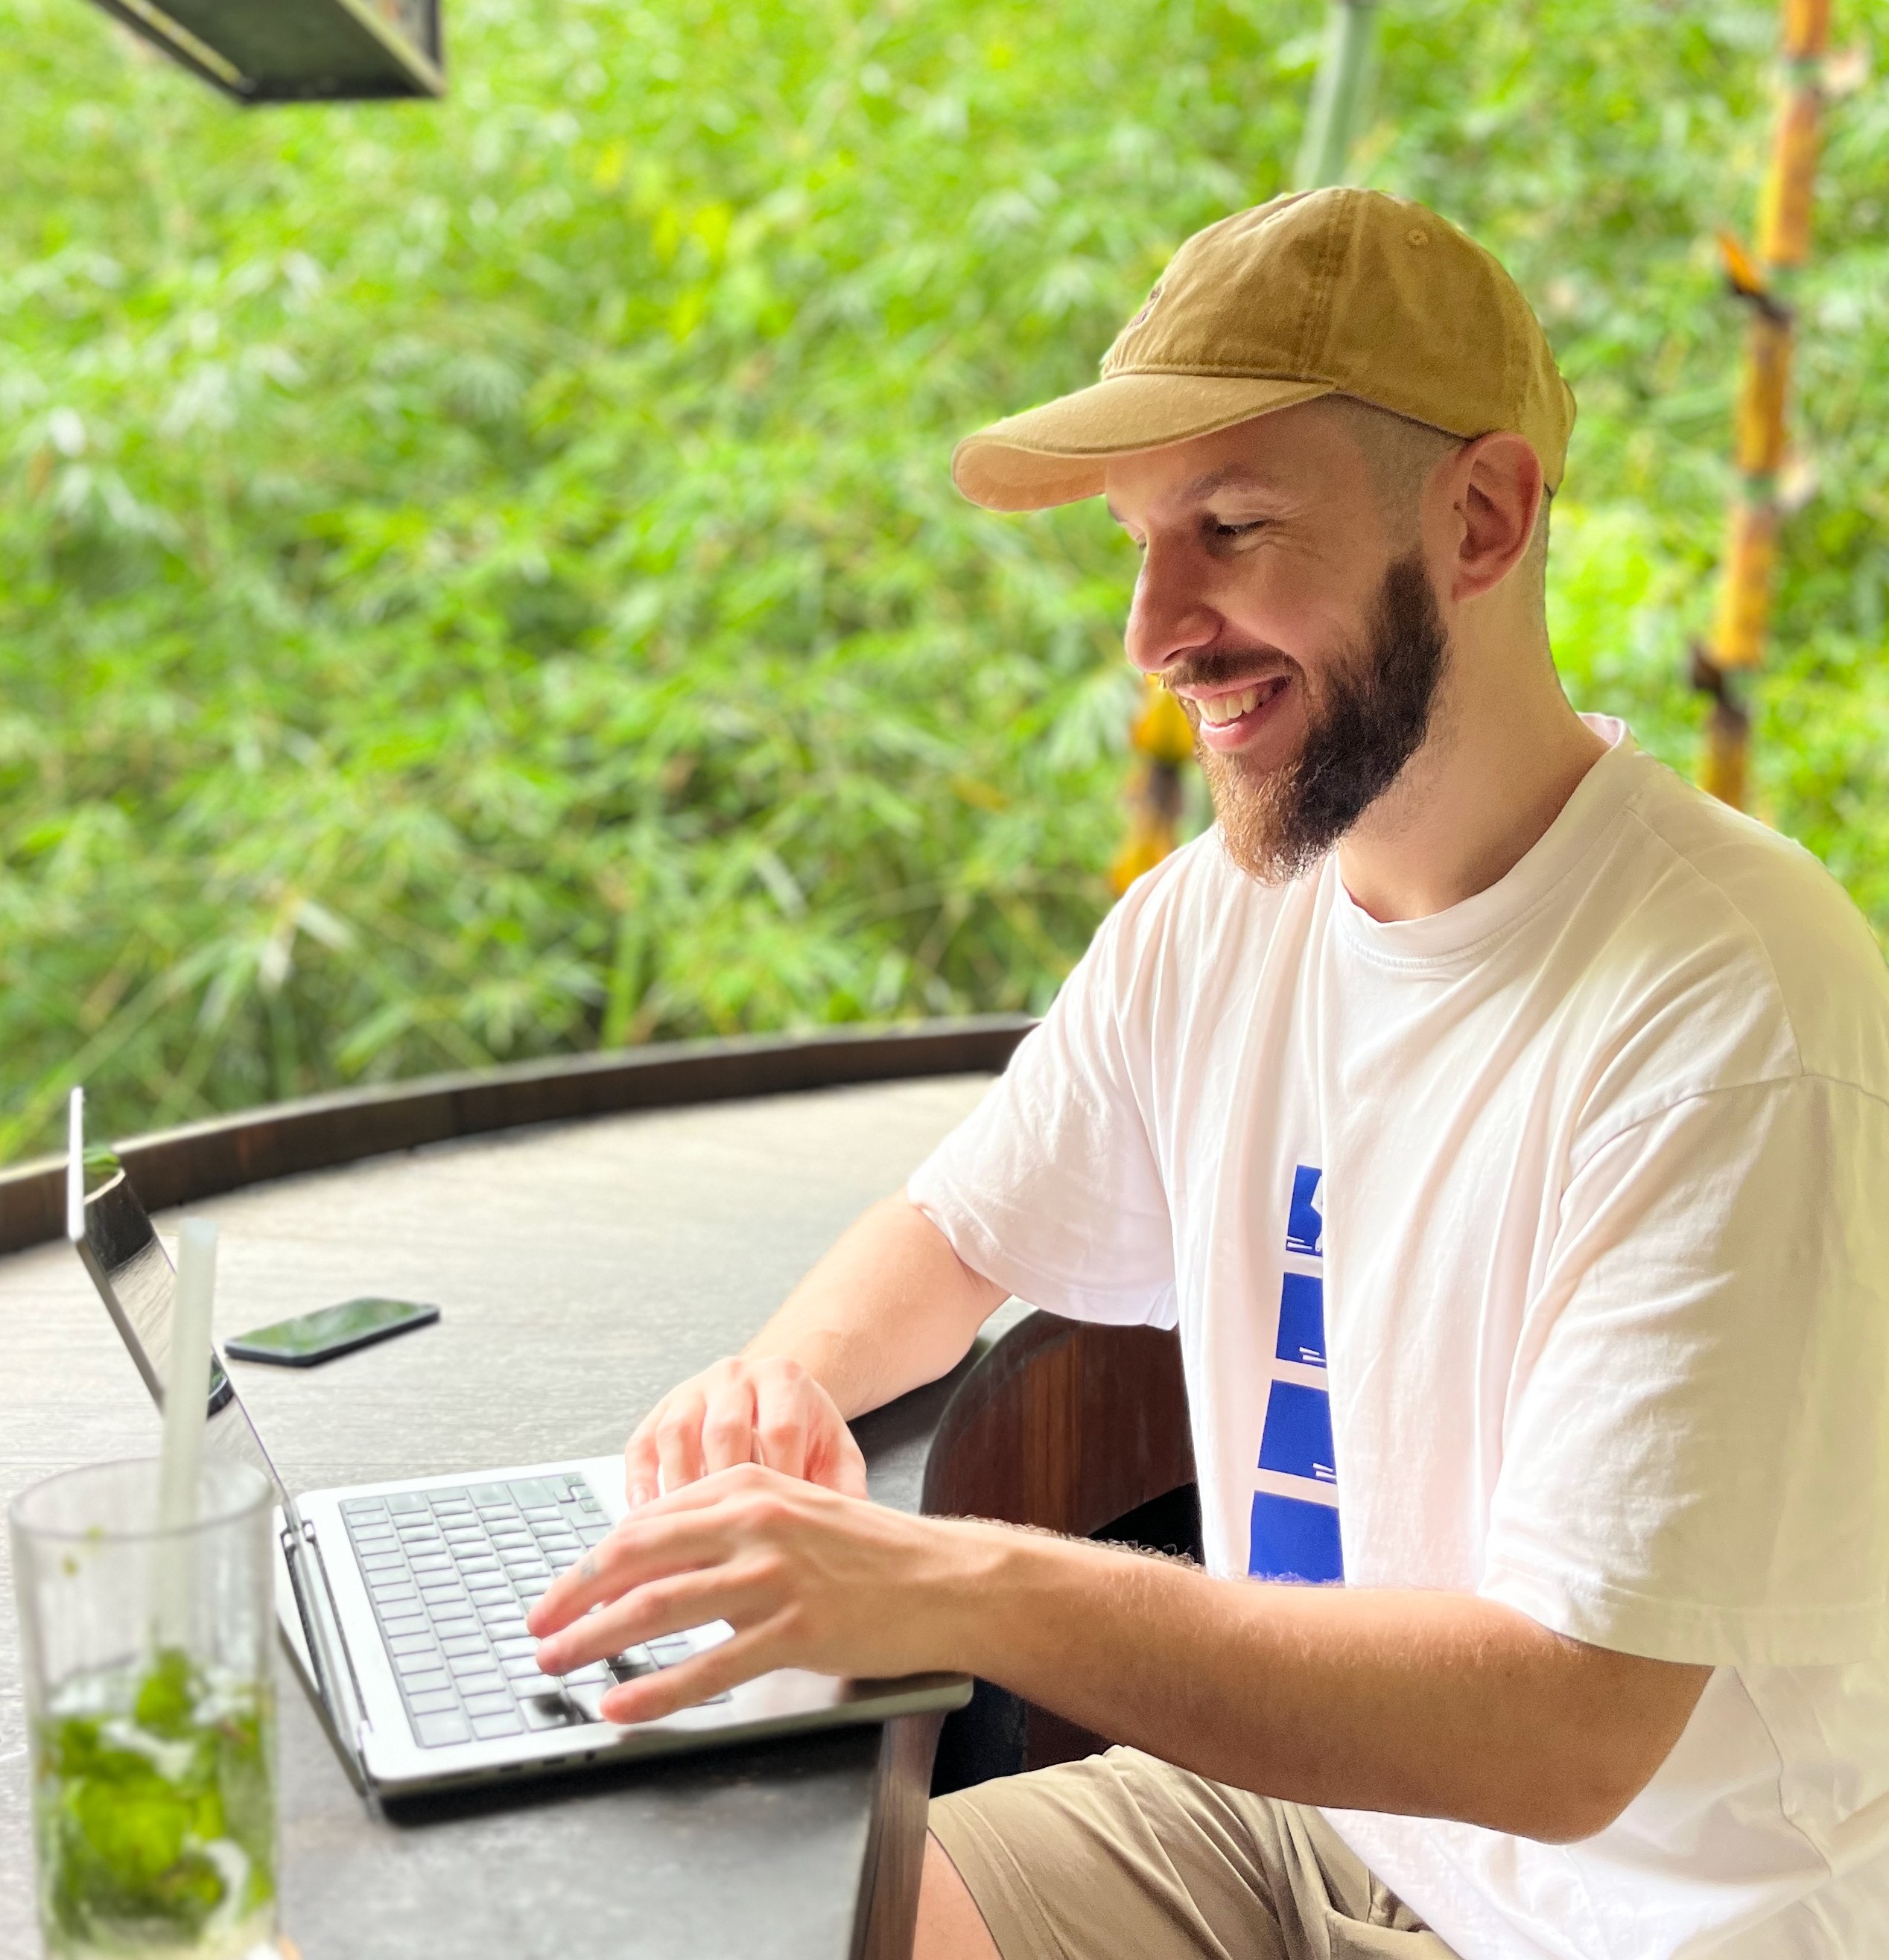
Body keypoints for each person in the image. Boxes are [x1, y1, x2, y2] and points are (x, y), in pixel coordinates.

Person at [527, 188, 1889, 1959]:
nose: (1151, 628)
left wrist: (952, 1583)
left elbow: (1565, 1731)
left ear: (1478, 518)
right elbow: (955, 1232)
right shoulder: (1226, 913)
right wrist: (772, 1388)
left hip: (1629, 1919)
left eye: (1230, 528)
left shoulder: (1732, 1009)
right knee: (731, 1921)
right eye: (1138, 542)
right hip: (1295, 1823)